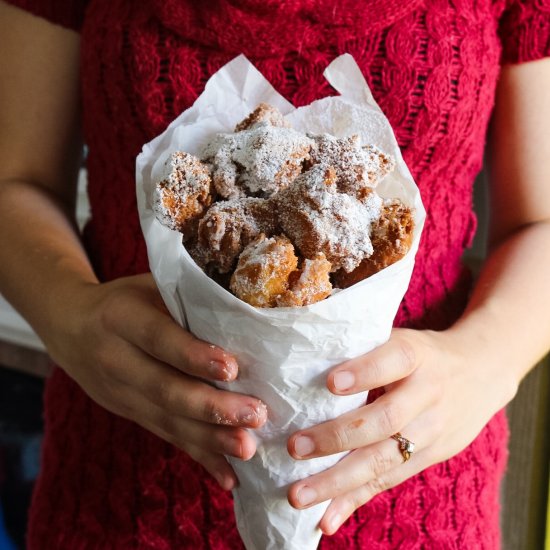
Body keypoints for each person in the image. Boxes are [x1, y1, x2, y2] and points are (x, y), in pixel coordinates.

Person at [0, 0, 549, 548]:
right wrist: (71, 315)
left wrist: (485, 361)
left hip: (419, 499)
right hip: (125, 485)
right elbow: (16, 181)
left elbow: (541, 221)